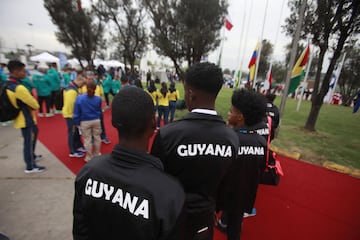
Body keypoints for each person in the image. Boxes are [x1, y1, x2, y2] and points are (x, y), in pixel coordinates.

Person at [73, 87, 186, 240]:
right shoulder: (169, 193)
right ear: (153, 122)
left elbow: (80, 231)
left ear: (113, 122)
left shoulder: (88, 172)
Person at [151, 62, 239, 240]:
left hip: (170, 218)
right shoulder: (231, 139)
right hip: (204, 220)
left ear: (190, 94)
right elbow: (228, 186)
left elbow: (154, 182)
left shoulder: (168, 134)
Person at [216, 89, 267, 240]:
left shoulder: (228, 139)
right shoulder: (261, 141)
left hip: (224, 195)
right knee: (235, 229)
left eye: (231, 111)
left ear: (240, 117)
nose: (228, 113)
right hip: (245, 195)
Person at [6, 60, 45, 173]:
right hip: (26, 119)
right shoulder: (19, 88)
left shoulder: (8, 84)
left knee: (31, 138)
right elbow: (34, 104)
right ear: (16, 71)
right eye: (23, 71)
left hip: (21, 117)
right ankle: (30, 166)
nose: (25, 73)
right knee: (29, 141)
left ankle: (32, 156)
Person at [73, 80, 102, 162]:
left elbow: (76, 112)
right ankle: (97, 153)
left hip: (85, 121)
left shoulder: (80, 98)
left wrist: (77, 122)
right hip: (96, 120)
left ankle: (89, 156)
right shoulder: (98, 99)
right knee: (97, 138)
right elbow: (99, 110)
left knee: (87, 139)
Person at [62, 75, 86, 158]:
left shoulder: (71, 88)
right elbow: (71, 105)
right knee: (72, 133)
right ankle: (72, 151)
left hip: (71, 114)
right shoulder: (72, 91)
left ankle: (77, 146)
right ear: (79, 81)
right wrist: (75, 117)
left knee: (76, 132)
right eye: (82, 83)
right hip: (71, 115)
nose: (82, 86)